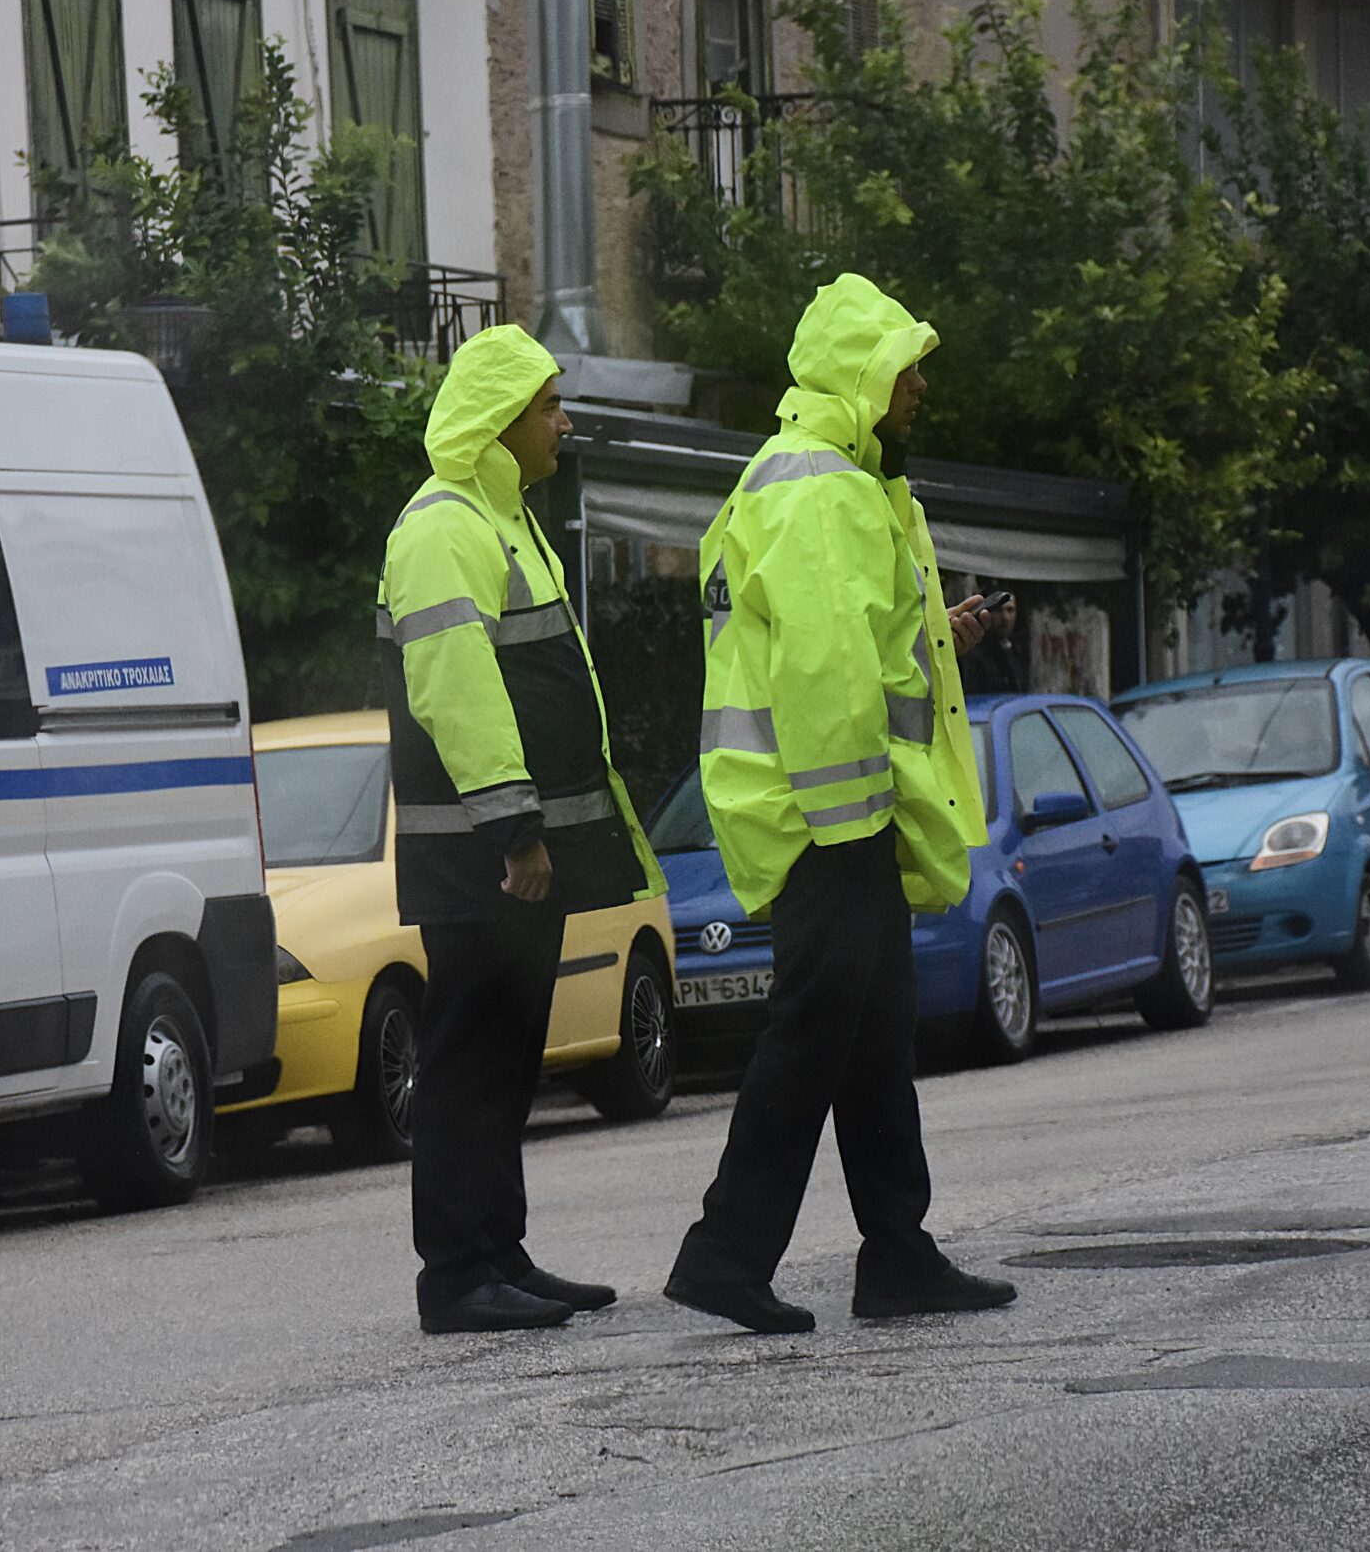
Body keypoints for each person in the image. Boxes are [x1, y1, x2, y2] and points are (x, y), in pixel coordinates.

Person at [667, 273, 1018, 1334]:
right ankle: (725, 1252)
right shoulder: (823, 489)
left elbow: (850, 647)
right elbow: (823, 675)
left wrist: (935, 638)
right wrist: (855, 820)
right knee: (822, 1026)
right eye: (907, 371)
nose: (919, 390)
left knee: (868, 1030)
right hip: (831, 814)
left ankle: (896, 1254)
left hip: (826, 810)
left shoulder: (811, 479)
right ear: (864, 377)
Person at [377, 324, 666, 1335]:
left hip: (500, 851)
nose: (564, 420)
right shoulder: (444, 527)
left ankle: (497, 1252)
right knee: (468, 1058)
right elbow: (458, 694)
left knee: (503, 1055)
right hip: (478, 855)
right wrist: (512, 830)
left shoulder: (502, 521)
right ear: (504, 420)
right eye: (549, 404)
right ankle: (456, 1275)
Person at [960, 590, 1030, 694]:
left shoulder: (1017, 650)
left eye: (1010, 610)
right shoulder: (972, 652)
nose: (1005, 617)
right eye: (998, 610)